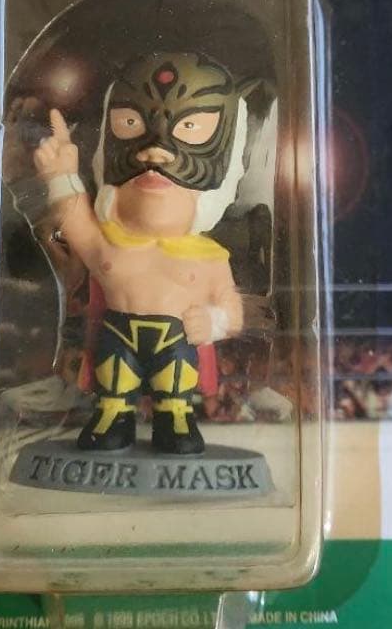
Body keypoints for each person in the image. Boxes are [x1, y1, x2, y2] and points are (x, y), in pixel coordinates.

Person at [33, 51, 251, 455]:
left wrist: (215, 322)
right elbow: (75, 220)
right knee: (114, 385)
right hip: (119, 333)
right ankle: (113, 421)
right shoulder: (109, 242)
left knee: (175, 391)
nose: (155, 155)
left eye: (190, 127)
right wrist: (60, 175)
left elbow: (232, 309)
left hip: (175, 338)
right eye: (131, 124)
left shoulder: (209, 257)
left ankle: (176, 423)